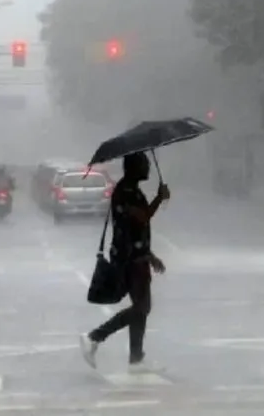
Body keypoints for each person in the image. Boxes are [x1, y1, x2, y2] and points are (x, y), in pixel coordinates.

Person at [80, 152, 170, 368]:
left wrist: (150, 255)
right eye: (144, 164)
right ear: (134, 168)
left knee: (141, 307)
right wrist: (159, 198)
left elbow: (139, 225)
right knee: (141, 308)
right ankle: (95, 336)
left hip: (137, 256)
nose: (148, 168)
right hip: (129, 259)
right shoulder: (124, 192)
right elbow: (141, 217)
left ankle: (136, 357)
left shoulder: (132, 190)